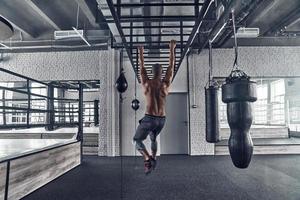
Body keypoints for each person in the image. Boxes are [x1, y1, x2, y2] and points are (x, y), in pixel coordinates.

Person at [133, 40, 176, 174]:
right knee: (153, 138)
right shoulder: (166, 84)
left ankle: (148, 158)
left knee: (136, 140)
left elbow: (141, 67)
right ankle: (155, 157)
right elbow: (172, 65)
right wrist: (172, 48)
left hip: (149, 118)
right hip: (162, 119)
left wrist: (140, 51)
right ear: (162, 73)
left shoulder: (147, 84)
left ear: (151, 72)